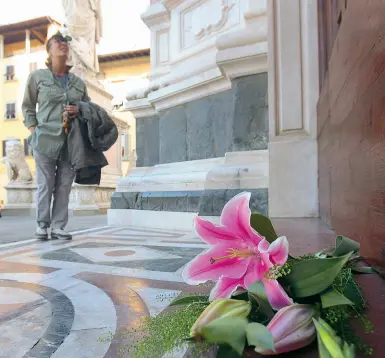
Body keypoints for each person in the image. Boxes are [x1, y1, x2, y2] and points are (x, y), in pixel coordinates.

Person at [22, 31, 90, 241]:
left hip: (71, 142)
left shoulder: (78, 82)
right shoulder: (37, 77)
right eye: (58, 42)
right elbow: (27, 107)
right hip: (44, 140)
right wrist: (34, 132)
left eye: (66, 43)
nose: (63, 45)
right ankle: (42, 224)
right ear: (49, 50)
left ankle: (59, 226)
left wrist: (79, 110)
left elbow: (89, 107)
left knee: (64, 185)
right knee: (46, 184)